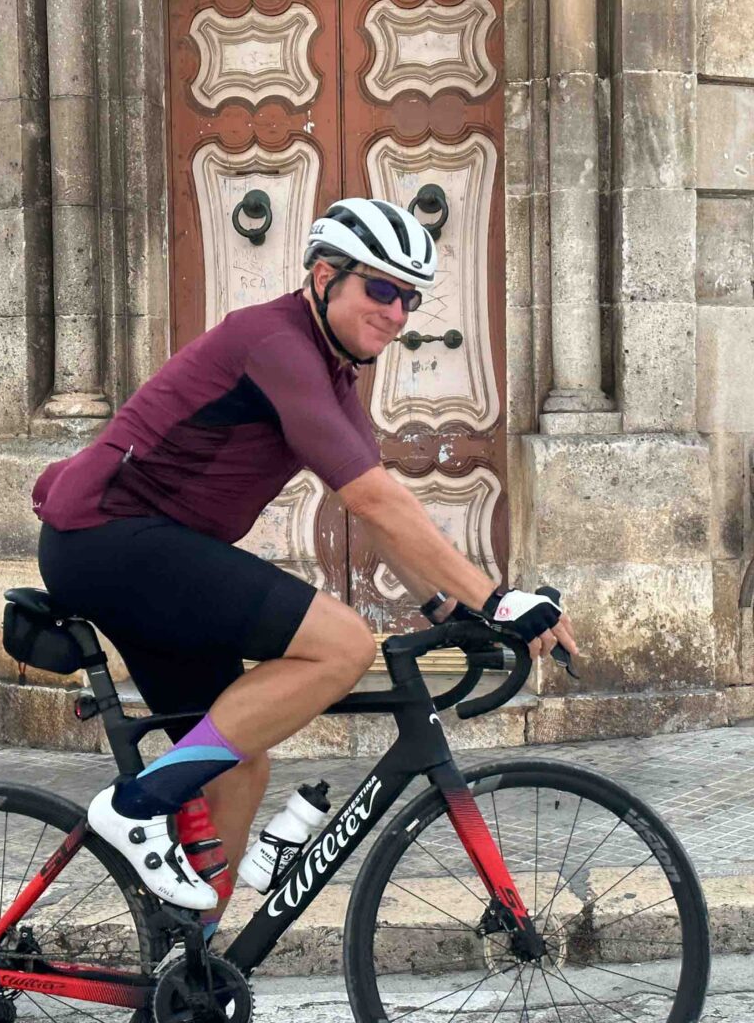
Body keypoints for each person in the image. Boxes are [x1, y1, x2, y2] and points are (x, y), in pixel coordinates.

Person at [31, 198, 578, 931]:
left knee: (237, 762)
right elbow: (376, 500)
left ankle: (186, 964)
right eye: (379, 289)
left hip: (139, 549)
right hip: (110, 536)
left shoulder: (333, 373)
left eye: (410, 297)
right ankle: (138, 807)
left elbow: (377, 513)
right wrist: (498, 597)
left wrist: (453, 610)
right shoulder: (274, 342)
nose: (396, 311)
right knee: (344, 643)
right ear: (325, 277)